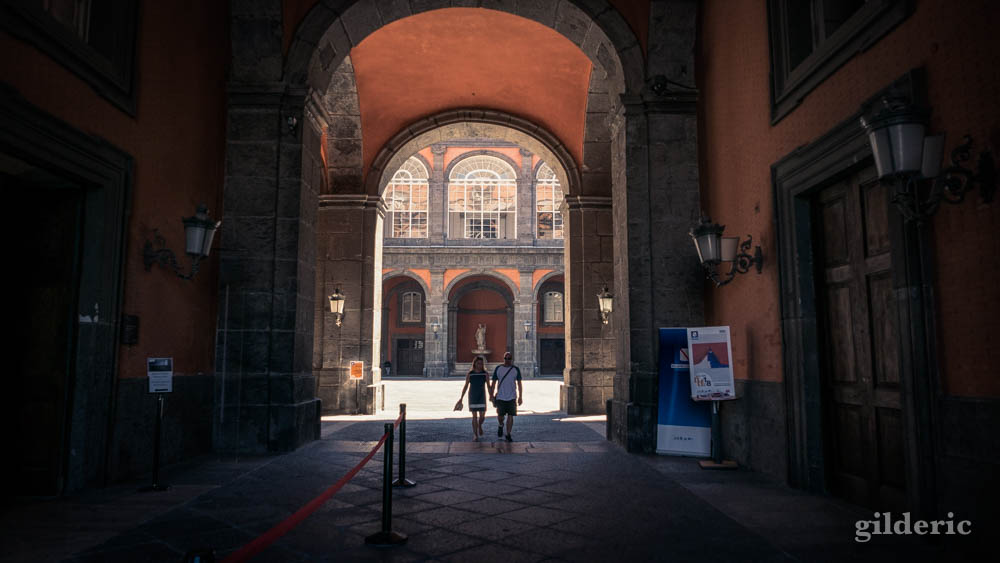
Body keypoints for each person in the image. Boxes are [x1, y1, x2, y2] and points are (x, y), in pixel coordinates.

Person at [488, 351, 522, 442]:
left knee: (511, 415)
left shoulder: (516, 369)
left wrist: (520, 397)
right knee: (500, 416)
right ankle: (500, 425)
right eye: (506, 358)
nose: (507, 360)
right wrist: (491, 395)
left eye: (509, 358)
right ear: (503, 359)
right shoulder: (498, 369)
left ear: (511, 359)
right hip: (500, 396)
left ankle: (508, 434)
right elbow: (494, 382)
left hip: (512, 397)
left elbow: (519, 384)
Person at [456, 356, 489, 440]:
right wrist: (461, 398)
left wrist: (491, 395)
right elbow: (466, 386)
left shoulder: (485, 374)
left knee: (482, 416)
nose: (480, 365)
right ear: (474, 364)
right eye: (478, 363)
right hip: (473, 396)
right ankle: (475, 435)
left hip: (482, 396)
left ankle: (480, 425)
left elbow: (489, 386)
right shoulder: (470, 374)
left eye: (481, 364)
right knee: (474, 416)